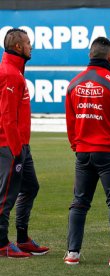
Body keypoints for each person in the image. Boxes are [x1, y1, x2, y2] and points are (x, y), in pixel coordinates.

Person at [64, 37, 110, 266]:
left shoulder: (73, 83)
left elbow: (71, 121)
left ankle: (72, 253)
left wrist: (77, 146)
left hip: (84, 152)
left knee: (79, 202)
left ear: (89, 55)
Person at [0, 28, 49, 258]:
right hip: (10, 146)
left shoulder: (15, 73)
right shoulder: (9, 74)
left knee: (30, 187)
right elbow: (7, 116)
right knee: (6, 194)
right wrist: (16, 149)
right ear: (18, 47)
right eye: (28, 43)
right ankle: (1, 243)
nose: (31, 46)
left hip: (20, 145)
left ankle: (22, 238)